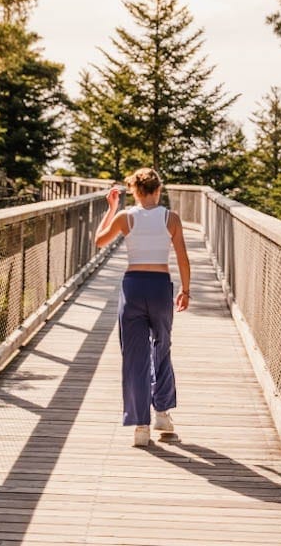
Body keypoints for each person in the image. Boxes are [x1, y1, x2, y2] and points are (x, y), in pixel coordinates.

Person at [94, 168, 191, 446]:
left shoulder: (126, 217)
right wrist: (186, 290)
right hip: (160, 287)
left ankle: (140, 427)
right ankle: (162, 412)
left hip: (133, 286)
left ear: (134, 192)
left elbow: (99, 241)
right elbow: (183, 257)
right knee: (162, 347)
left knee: (134, 357)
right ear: (159, 190)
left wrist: (112, 208)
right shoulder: (170, 218)